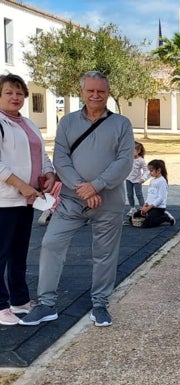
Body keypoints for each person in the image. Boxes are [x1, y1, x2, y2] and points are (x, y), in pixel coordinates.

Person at [19, 71, 134, 327]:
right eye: (90, 91)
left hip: (109, 201)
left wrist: (97, 186)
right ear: (82, 92)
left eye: (101, 91)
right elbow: (61, 158)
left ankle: (100, 303)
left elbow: (124, 161)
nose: (96, 95)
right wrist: (82, 188)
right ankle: (46, 304)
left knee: (105, 254)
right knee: (50, 244)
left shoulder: (122, 124)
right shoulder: (68, 122)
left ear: (107, 93)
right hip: (71, 200)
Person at [0, 74, 55, 326]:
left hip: (27, 200)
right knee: (1, 254)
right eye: (9, 92)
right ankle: (1, 306)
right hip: (5, 200)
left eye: (20, 93)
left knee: (19, 252)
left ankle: (19, 300)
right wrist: (21, 185)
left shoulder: (29, 124)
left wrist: (49, 173)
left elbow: (41, 154)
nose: (15, 97)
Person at [131, 159, 175, 227]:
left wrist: (148, 208)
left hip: (158, 208)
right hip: (150, 207)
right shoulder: (152, 181)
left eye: (151, 171)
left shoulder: (162, 181)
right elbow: (150, 195)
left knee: (146, 224)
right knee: (132, 218)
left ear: (158, 170)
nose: (150, 173)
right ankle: (150, 216)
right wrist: (144, 206)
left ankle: (166, 217)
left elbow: (160, 198)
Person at [126, 141, 148, 216]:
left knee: (139, 194)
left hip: (137, 181)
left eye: (133, 150)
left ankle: (143, 209)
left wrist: (143, 178)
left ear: (138, 151)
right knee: (129, 194)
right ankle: (132, 208)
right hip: (128, 179)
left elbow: (146, 170)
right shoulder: (128, 158)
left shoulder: (141, 160)